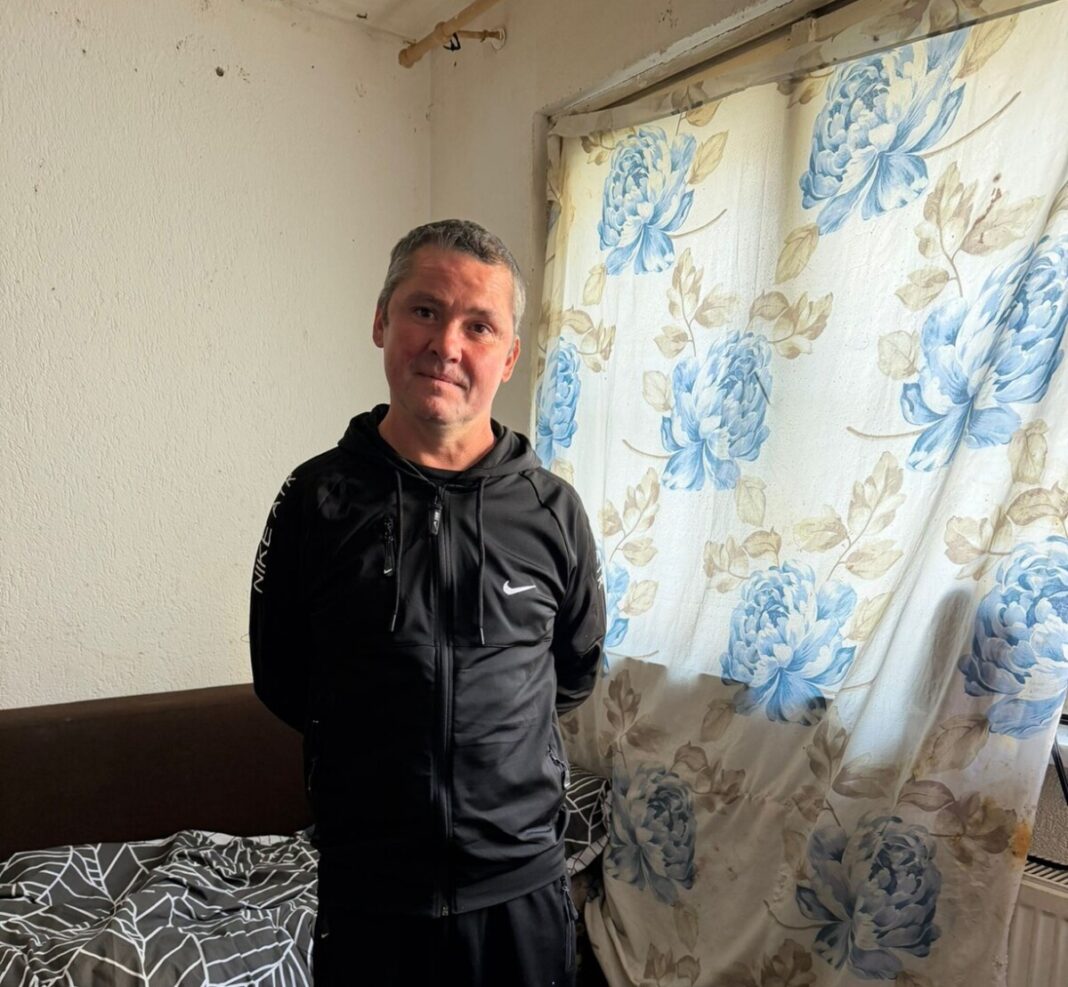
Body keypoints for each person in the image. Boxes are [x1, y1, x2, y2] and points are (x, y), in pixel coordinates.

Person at [249, 219, 606, 986]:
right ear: (382, 320)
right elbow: (282, 678)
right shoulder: (314, 499)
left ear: (508, 356)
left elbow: (572, 673)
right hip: (371, 900)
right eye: (424, 310)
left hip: (520, 897)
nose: (447, 343)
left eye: (479, 325)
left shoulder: (553, 511)